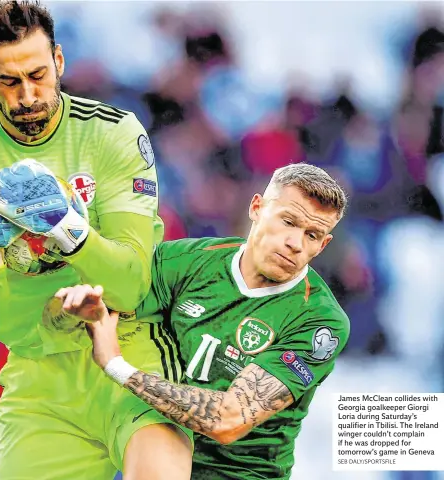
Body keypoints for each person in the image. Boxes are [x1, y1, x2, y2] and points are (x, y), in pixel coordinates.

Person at [0, 1, 192, 479]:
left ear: (59, 61)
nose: (27, 95)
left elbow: (128, 285)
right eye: (8, 81)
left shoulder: (112, 134)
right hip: (38, 370)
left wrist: (65, 226)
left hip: (130, 348)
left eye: (38, 74)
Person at [59, 163, 351, 480]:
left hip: (238, 474)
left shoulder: (320, 320)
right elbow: (113, 300)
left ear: (323, 246)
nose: (296, 243)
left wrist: (118, 367)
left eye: (312, 235)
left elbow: (228, 421)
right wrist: (85, 301)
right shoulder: (186, 262)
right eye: (288, 222)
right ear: (257, 208)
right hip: (152, 452)